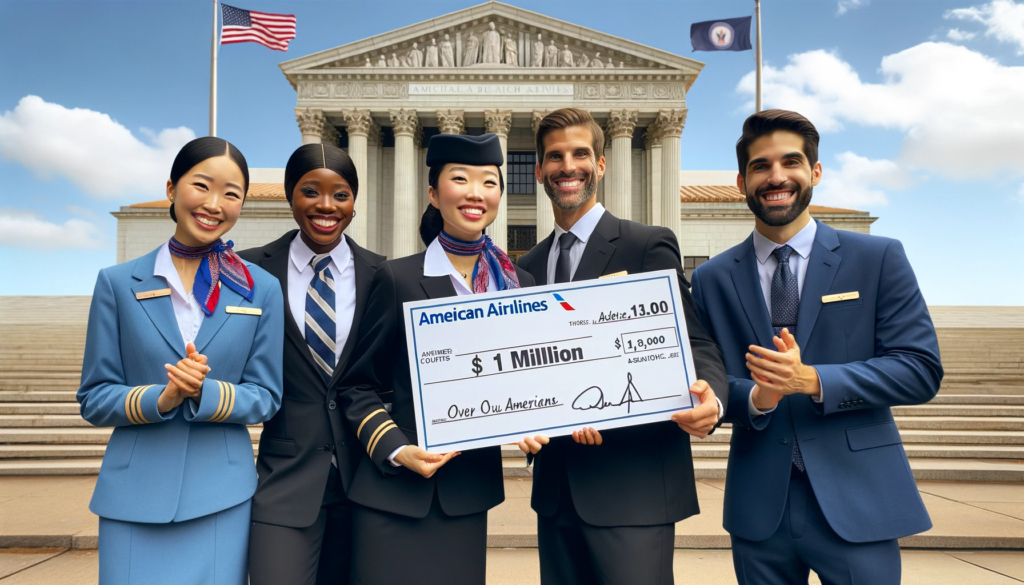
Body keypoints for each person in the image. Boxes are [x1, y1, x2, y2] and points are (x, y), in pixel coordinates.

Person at [689, 109, 943, 584]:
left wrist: (815, 380)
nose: (776, 177)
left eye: (791, 162)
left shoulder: (877, 257)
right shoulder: (710, 278)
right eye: (761, 167)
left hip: (859, 497)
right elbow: (713, 378)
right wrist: (756, 398)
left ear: (815, 172)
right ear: (742, 180)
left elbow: (920, 368)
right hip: (760, 506)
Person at [517, 108, 729, 585]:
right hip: (556, 491)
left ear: (601, 164)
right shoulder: (526, 267)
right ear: (539, 171)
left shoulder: (646, 245)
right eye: (555, 156)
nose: (567, 167)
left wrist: (711, 398)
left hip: (634, 487)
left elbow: (694, 340)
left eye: (579, 154)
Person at [336, 133, 548, 584]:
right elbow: (355, 385)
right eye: (460, 179)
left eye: (490, 182)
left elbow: (528, 380)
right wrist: (395, 448)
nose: (476, 193)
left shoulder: (519, 285)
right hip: (391, 494)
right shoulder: (397, 277)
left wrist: (531, 419)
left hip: (465, 496)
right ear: (434, 193)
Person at [78, 137, 284, 584]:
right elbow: (94, 397)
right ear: (172, 188)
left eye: (232, 193)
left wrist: (204, 393)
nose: (215, 204)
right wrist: (163, 397)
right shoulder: (117, 283)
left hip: (221, 499)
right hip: (132, 497)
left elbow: (267, 396)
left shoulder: (260, 289)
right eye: (202, 186)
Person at [240, 144, 384, 585]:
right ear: (289, 196)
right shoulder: (248, 271)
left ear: (355, 202)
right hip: (286, 480)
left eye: (340, 194)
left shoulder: (383, 275)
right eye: (310, 191)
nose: (326, 206)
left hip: (369, 480)